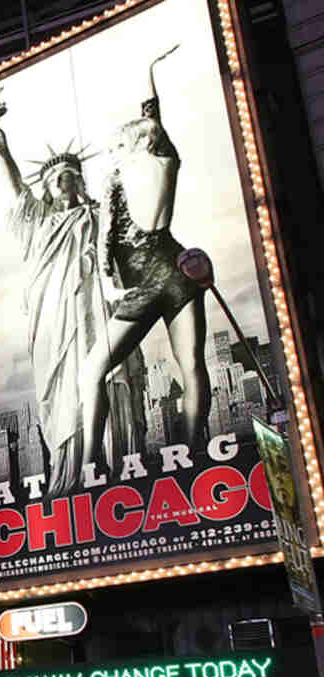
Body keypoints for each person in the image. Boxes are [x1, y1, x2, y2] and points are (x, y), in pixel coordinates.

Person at [0, 97, 141, 495]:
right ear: (49, 189)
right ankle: (69, 470)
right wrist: (1, 147)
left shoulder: (96, 215)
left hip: (94, 308)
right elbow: (16, 187)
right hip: (53, 314)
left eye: (72, 178)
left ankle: (115, 461)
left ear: (80, 182)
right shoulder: (40, 220)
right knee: (63, 390)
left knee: (104, 375)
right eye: (58, 181)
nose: (65, 185)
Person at [81, 43, 211, 472]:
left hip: (149, 280)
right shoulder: (165, 161)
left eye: (119, 141)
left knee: (92, 370)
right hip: (178, 269)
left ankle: (88, 463)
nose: (113, 148)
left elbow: (107, 239)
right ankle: (194, 453)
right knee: (191, 365)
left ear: (134, 140)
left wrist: (110, 281)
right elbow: (154, 117)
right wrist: (148, 71)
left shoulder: (121, 175)